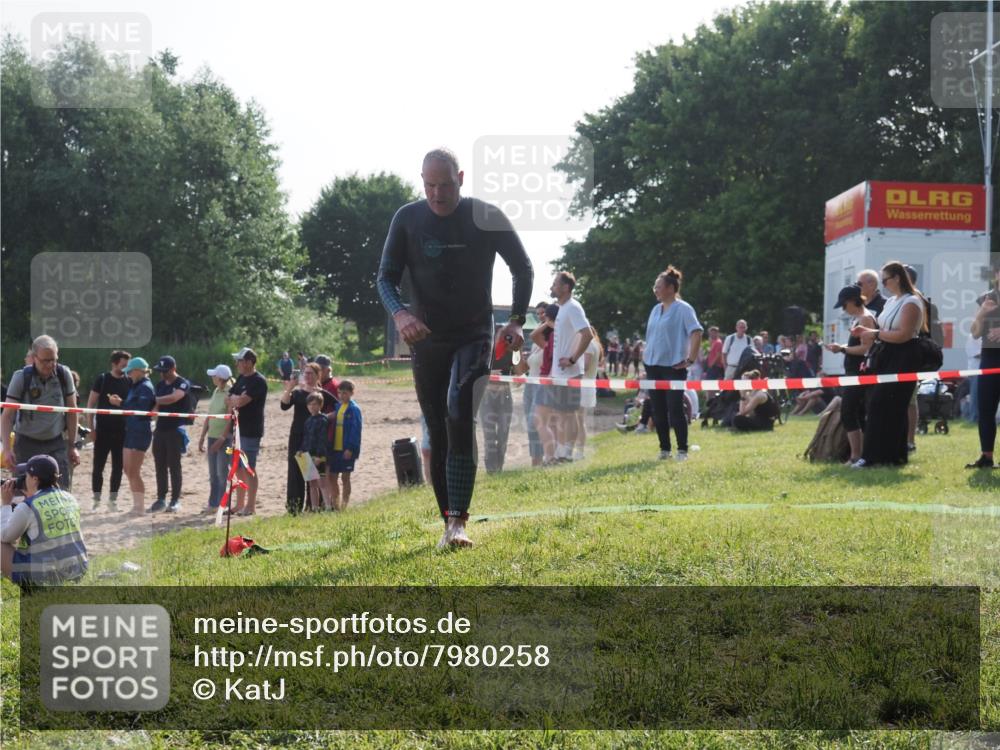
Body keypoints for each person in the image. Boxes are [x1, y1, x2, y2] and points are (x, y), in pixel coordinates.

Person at [376, 147, 533, 548]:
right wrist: (399, 314)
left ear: (460, 178)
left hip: (474, 333)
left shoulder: (485, 216)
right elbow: (385, 278)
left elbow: (523, 267)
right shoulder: (407, 218)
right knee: (437, 428)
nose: (437, 193)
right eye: (429, 185)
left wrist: (515, 319)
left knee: (459, 410)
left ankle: (460, 522)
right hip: (427, 340)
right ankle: (448, 523)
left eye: (444, 184)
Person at [852, 261, 927, 468]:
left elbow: (904, 334)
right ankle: (883, 456)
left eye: (885, 280)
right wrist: (866, 330)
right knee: (878, 404)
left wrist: (873, 333)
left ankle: (881, 456)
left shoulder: (911, 301)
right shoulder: (892, 301)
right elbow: (883, 327)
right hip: (886, 355)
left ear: (896, 278)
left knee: (889, 405)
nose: (883, 284)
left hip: (903, 357)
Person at [642, 265, 704, 461]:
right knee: (657, 410)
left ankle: (682, 450)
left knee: (675, 409)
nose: (655, 289)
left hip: (673, 367)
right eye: (655, 286)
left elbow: (696, 332)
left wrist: (690, 359)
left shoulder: (684, 309)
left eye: (658, 286)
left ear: (670, 288)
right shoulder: (655, 309)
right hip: (652, 366)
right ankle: (664, 449)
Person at [1, 335, 80, 488]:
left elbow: (72, 411)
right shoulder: (20, 377)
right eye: (45, 360)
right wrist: (7, 449)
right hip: (25, 443)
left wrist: (72, 445)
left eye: (54, 359)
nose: (50, 364)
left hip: (56, 442)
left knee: (61, 491)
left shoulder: (65, 375)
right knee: (23, 493)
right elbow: (7, 416)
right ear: (34, 357)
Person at [1, 455, 88, 587]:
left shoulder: (28, 507)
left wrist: (6, 504)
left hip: (44, 580)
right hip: (78, 571)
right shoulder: (70, 498)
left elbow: (5, 536)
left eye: (26, 475)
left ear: (35, 479)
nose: (24, 479)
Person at [539, 272, 593, 464]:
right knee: (562, 415)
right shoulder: (562, 309)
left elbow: (587, 334)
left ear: (566, 287)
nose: (552, 287)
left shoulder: (573, 307)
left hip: (570, 373)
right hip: (558, 374)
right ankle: (563, 454)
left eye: (555, 284)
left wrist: (572, 359)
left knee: (569, 415)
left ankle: (567, 455)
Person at [825, 284, 874, 464]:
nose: (844, 310)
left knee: (848, 412)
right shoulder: (858, 319)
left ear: (853, 301)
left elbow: (866, 348)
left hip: (860, 373)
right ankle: (858, 455)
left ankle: (855, 456)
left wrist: (843, 350)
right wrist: (842, 348)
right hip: (854, 372)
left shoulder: (866, 319)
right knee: (856, 413)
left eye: (844, 306)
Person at [279, 362, 337, 513]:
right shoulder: (298, 393)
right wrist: (290, 388)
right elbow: (284, 405)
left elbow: (339, 407)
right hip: (298, 437)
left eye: (311, 373)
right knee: (296, 472)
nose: (308, 376)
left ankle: (314, 507)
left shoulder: (321, 394)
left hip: (316, 440)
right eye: (306, 373)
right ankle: (294, 508)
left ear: (318, 375)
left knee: (315, 476)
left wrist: (325, 417)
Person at [108, 357, 157, 516]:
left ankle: (140, 507)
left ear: (138, 371)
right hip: (131, 430)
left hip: (140, 431)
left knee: (134, 471)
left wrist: (120, 403)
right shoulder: (136, 386)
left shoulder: (145, 387)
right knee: (128, 470)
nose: (127, 374)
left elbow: (141, 409)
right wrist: (121, 402)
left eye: (129, 371)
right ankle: (136, 506)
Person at [86, 351, 131, 511]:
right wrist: (91, 428)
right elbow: (90, 404)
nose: (126, 368)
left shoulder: (129, 381)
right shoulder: (103, 379)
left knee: (118, 467)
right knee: (98, 467)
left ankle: (113, 500)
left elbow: (132, 406)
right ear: (114, 363)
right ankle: (96, 500)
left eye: (127, 365)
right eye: (123, 365)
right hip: (103, 431)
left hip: (122, 432)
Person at [225, 347, 268, 516]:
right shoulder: (242, 378)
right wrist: (236, 399)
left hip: (251, 430)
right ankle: (239, 504)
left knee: (249, 467)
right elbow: (228, 398)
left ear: (249, 362)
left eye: (240, 361)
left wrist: (236, 400)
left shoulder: (258, 381)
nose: (237, 364)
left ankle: (251, 506)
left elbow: (241, 401)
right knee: (237, 467)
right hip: (237, 429)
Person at [966, 263, 1000, 469]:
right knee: (985, 409)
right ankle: (986, 456)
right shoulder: (987, 297)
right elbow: (975, 332)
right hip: (990, 359)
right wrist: (982, 314)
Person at [148, 356, 191, 513]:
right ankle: (161, 498)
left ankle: (175, 500)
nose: (162, 374)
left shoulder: (182, 383)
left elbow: (174, 398)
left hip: (175, 429)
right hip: (160, 429)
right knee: (159, 465)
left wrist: (155, 400)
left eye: (165, 371)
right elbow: (155, 408)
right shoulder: (159, 385)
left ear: (173, 368)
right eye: (160, 371)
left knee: (174, 465)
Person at [198, 364, 234, 513]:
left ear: (219, 378)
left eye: (214, 375)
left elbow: (230, 418)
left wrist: (222, 438)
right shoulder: (216, 391)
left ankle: (223, 504)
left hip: (225, 439)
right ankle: (213, 504)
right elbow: (209, 415)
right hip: (212, 436)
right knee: (213, 474)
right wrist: (202, 437)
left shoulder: (229, 393)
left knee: (222, 472)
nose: (212, 377)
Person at [480, 325, 515, 473]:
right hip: (487, 396)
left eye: (506, 336)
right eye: (500, 335)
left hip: (504, 395)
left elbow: (521, 372)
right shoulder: (484, 351)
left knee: (503, 434)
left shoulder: (510, 351)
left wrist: (517, 350)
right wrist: (489, 372)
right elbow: (474, 371)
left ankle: (499, 467)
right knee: (489, 434)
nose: (503, 339)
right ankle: (491, 469)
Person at [328, 380, 362, 510]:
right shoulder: (338, 406)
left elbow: (356, 430)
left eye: (345, 393)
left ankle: (344, 505)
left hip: (347, 449)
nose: (342, 396)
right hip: (335, 448)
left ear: (351, 393)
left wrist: (350, 448)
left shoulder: (354, 409)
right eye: (339, 393)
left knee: (345, 477)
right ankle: (335, 505)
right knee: (333, 476)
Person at [299, 392, 332, 512]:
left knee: (322, 483)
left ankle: (328, 507)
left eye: (315, 404)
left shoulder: (323, 420)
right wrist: (301, 451)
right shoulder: (308, 421)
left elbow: (322, 439)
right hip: (307, 455)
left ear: (320, 405)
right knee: (312, 484)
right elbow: (306, 438)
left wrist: (320, 456)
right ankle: (314, 508)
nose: (312, 407)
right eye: (310, 404)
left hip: (319, 457)